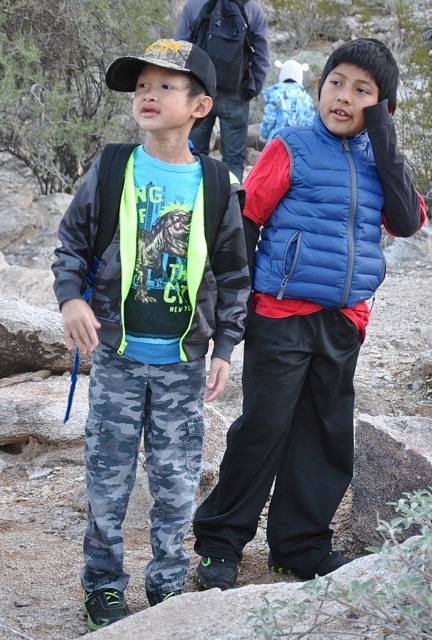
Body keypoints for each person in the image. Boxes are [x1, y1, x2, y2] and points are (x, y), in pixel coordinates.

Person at [192, 37, 427, 590]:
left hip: (343, 320)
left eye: (362, 91)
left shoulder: (381, 160)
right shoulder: (290, 146)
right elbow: (246, 221)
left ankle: (300, 547)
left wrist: (384, 140)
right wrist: (235, 306)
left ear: (383, 107)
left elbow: (407, 221)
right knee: (263, 427)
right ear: (319, 88)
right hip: (280, 313)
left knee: (324, 433)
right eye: (336, 83)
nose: (343, 97)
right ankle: (220, 542)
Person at [52, 38, 250, 630]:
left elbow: (235, 274)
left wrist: (225, 347)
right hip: (115, 357)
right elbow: (72, 242)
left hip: (183, 365)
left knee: (175, 481)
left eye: (166, 85)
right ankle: (103, 586)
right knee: (107, 480)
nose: (148, 94)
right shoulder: (113, 167)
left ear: (200, 106)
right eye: (142, 85)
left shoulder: (217, 184)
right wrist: (70, 299)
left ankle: (166, 585)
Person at [175, 0, 270, 182]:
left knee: (192, 154)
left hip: (199, 91)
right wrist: (252, 88)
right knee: (233, 160)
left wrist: (184, 89)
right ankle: (230, 198)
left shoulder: (194, 5)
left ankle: (193, 196)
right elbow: (262, 55)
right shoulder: (252, 8)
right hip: (236, 93)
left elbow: (180, 48)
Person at [259, 58, 315, 144]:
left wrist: (263, 134)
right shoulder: (306, 98)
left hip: (277, 142)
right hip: (299, 143)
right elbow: (310, 122)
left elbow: (269, 118)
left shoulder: (276, 94)